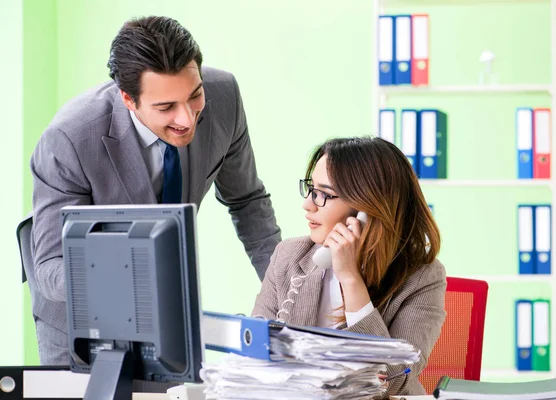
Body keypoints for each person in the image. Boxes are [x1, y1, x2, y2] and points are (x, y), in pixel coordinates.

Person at [29, 15, 281, 365]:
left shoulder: (224, 97)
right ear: (128, 99)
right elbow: (49, 269)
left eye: (194, 96)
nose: (187, 119)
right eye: (166, 108)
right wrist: (136, 277)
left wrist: (286, 290)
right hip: (80, 321)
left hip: (166, 313)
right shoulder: (69, 138)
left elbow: (247, 201)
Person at [252, 137, 446, 397]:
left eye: (323, 194)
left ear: (366, 208)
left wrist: (351, 279)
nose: (307, 204)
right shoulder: (289, 256)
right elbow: (253, 352)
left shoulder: (423, 278)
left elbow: (394, 378)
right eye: (310, 189)